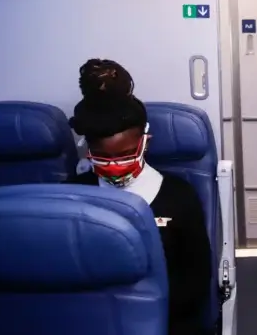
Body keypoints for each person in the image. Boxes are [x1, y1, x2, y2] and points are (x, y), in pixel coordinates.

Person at [65, 59, 212, 335]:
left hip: (165, 320)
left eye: (123, 155)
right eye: (104, 157)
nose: (114, 165)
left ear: (145, 142)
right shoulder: (75, 194)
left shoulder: (178, 196)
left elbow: (196, 280)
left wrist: (139, 312)